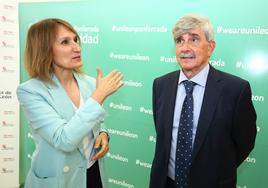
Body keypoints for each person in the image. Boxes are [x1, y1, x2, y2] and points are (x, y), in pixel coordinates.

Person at [150, 14, 257, 188]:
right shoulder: (161, 85)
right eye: (179, 41)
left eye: (194, 39)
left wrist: (216, 171)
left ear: (210, 47)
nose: (185, 48)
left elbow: (244, 143)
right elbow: (163, 135)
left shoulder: (236, 90)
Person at [17, 18, 123, 188]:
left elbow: (97, 120)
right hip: (60, 180)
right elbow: (64, 139)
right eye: (65, 42)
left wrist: (103, 133)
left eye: (75, 40)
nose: (77, 47)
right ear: (45, 50)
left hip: (93, 172)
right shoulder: (31, 91)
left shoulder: (88, 82)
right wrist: (99, 95)